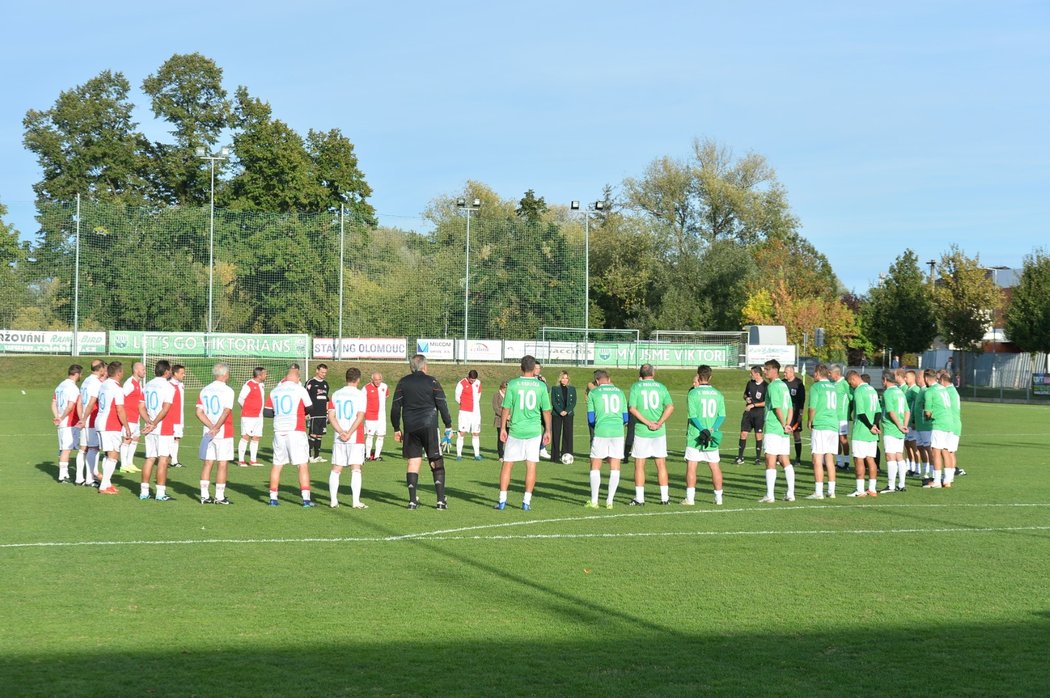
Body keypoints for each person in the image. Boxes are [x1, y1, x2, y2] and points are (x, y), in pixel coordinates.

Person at [391, 354, 453, 509]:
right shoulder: (432, 381)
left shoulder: (402, 382)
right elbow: (442, 405)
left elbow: (395, 408)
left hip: (410, 427)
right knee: (436, 460)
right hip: (429, 425)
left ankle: (412, 501)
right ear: (425, 366)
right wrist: (448, 425)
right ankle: (440, 500)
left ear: (411, 367)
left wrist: (396, 428)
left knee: (413, 460)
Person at [497, 355, 552, 510]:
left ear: (521, 367)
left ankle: (502, 501)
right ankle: (526, 502)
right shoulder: (541, 386)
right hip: (534, 431)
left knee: (507, 465)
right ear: (534, 368)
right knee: (531, 466)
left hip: (515, 430)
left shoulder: (513, 384)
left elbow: (506, 407)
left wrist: (502, 428)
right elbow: (546, 410)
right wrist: (547, 430)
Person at [265, 363, 315, 507]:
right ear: (297, 377)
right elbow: (310, 407)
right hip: (296, 430)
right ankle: (306, 499)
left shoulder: (275, 390)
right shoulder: (299, 389)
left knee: (277, 465)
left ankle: (273, 498)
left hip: (279, 431)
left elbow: (267, 412)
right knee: (302, 465)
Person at [627, 363, 675, 506]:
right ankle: (665, 498)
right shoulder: (661, 387)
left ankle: (640, 498)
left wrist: (647, 422)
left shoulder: (636, 387)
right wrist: (659, 422)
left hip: (642, 431)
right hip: (659, 432)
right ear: (653, 374)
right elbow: (670, 406)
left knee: (640, 464)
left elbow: (632, 408)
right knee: (661, 464)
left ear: (640, 375)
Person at [683, 365, 726, 506]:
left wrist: (703, 430)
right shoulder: (718, 394)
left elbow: (693, 416)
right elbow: (722, 416)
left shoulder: (693, 394)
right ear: (710, 377)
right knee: (715, 467)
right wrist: (712, 429)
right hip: (711, 436)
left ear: (698, 376)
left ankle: (690, 499)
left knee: (691, 466)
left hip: (696, 435)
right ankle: (719, 498)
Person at [585, 370, 628, 509]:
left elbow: (591, 419)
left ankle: (594, 501)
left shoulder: (593, 393)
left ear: (597, 381)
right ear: (609, 379)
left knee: (595, 465)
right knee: (615, 466)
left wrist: (598, 425)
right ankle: (610, 501)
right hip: (618, 432)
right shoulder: (620, 392)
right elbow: (626, 418)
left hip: (601, 431)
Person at [327, 367, 368, 509]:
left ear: (346, 378)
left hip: (339, 436)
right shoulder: (360, 395)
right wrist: (349, 432)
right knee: (356, 468)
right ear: (358, 380)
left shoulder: (336, 394)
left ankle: (333, 500)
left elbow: (331, 416)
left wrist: (341, 431)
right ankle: (355, 502)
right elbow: (360, 416)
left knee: (336, 468)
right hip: (355, 437)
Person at [196, 362, 236, 505]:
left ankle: (204, 495)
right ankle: (219, 496)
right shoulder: (228, 391)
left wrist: (211, 427)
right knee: (222, 463)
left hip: (208, 432)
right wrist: (217, 427)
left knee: (208, 463)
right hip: (223, 432)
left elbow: (198, 412)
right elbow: (226, 411)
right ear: (225, 374)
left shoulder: (205, 390)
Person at [759, 360, 796, 503]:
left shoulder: (773, 386)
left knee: (770, 459)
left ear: (775, 370)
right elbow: (790, 408)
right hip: (783, 430)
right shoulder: (784, 386)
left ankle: (770, 495)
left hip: (774, 428)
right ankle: (791, 493)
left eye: (767, 369)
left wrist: (782, 424)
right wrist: (788, 424)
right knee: (785, 460)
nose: (765, 372)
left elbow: (777, 407)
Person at [140, 360, 176, 501]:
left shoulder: (147, 385)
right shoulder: (168, 386)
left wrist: (148, 421)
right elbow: (166, 408)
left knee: (150, 458)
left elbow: (141, 407)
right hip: (163, 426)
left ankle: (144, 492)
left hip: (150, 427)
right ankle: (160, 493)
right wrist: (154, 423)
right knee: (163, 459)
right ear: (167, 371)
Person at [95, 361, 130, 495]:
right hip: (110, 424)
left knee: (108, 453)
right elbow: (120, 409)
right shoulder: (117, 388)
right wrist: (126, 427)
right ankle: (104, 486)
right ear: (119, 373)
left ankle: (107, 483)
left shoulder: (103, 384)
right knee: (114, 454)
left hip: (100, 421)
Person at [806, 363, 838, 499]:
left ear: (818, 373)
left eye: (814, 372)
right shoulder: (833, 387)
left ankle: (818, 492)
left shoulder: (816, 387)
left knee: (817, 458)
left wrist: (810, 420)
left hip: (821, 424)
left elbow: (812, 407)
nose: (813, 375)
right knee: (829, 458)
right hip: (833, 425)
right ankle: (831, 491)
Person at [847, 370, 880, 497]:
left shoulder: (859, 391)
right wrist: (875, 425)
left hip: (861, 431)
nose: (851, 386)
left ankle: (860, 490)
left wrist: (870, 426)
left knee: (859, 459)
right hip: (872, 432)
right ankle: (872, 489)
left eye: (851, 383)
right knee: (871, 459)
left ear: (854, 379)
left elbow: (860, 413)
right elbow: (878, 411)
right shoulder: (872, 389)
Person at [879, 370, 911, 494]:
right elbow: (907, 411)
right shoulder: (900, 392)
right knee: (899, 456)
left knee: (890, 456)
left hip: (891, 429)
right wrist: (904, 426)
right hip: (900, 429)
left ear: (885, 380)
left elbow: (891, 412)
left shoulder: (887, 393)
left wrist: (898, 425)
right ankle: (901, 484)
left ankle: (891, 485)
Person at [75, 359, 106, 486]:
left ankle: (78, 478)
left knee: (83, 449)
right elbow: (92, 402)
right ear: (101, 369)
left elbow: (80, 401)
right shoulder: (97, 383)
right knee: (93, 449)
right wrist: (84, 418)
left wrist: (81, 417)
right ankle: (89, 479)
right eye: (104, 368)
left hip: (84, 417)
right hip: (91, 418)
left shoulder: (86, 381)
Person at [51, 364, 82, 484]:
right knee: (66, 449)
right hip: (68, 422)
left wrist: (57, 417)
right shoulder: (73, 388)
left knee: (62, 449)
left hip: (61, 423)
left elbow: (53, 403)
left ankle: (64, 473)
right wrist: (62, 417)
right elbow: (70, 406)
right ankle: (62, 476)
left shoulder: (60, 386)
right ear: (77, 374)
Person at [119, 361, 146, 475]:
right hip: (129, 417)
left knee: (135, 438)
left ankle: (130, 463)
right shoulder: (130, 383)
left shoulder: (138, 383)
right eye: (143, 370)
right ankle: (123, 465)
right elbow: (121, 398)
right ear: (136, 370)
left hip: (136, 416)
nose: (145, 371)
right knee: (127, 439)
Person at [735, 366, 765, 465]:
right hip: (748, 413)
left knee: (758, 435)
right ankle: (740, 457)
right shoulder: (750, 383)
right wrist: (746, 398)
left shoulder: (766, 386)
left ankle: (757, 458)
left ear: (757, 374)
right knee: (743, 433)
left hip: (759, 414)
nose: (750, 375)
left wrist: (754, 405)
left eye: (751, 373)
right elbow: (744, 395)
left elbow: (766, 402)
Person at [237, 367, 267, 467]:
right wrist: (246, 410)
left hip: (259, 416)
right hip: (248, 416)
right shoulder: (248, 385)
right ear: (259, 375)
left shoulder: (262, 385)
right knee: (245, 436)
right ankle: (241, 460)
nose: (266, 375)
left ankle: (253, 460)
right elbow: (240, 399)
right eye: (264, 374)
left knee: (256, 437)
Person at [454, 369, 483, 461]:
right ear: (468, 377)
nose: (473, 382)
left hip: (476, 412)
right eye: (471, 380)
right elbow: (457, 397)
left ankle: (477, 455)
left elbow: (478, 395)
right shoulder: (461, 383)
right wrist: (464, 404)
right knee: (462, 433)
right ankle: (459, 455)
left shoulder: (478, 383)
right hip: (464, 412)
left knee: (476, 433)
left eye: (474, 380)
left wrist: (475, 405)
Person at [550, 371, 577, 463]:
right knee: (556, 435)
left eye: (566, 378)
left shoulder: (572, 389)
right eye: (563, 378)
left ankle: (567, 455)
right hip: (557, 414)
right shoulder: (555, 388)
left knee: (568, 435)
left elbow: (573, 402)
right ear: (560, 379)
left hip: (568, 414)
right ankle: (555, 457)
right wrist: (560, 411)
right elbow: (553, 401)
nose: (565, 380)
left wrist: (566, 411)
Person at [305, 363, 330, 463]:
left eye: (325, 373)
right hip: (313, 414)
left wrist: (327, 413)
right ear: (317, 371)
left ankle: (317, 456)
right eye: (322, 372)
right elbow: (305, 397)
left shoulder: (325, 384)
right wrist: (306, 412)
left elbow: (326, 399)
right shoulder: (310, 382)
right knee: (313, 435)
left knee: (320, 435)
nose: (324, 374)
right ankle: (308, 456)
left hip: (322, 414)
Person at [782, 364, 806, 465]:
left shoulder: (799, 383)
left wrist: (800, 414)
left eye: (786, 372)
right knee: (783, 432)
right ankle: (782, 457)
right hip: (784, 412)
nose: (784, 374)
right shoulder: (782, 383)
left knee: (796, 434)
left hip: (795, 412)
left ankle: (798, 458)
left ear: (792, 372)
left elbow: (802, 400)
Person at [830, 364, 852, 469]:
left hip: (842, 416)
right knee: (836, 440)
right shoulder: (833, 384)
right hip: (833, 417)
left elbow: (852, 398)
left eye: (831, 373)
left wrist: (850, 412)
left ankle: (847, 462)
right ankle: (839, 462)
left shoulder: (845, 384)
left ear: (837, 373)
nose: (830, 375)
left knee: (843, 439)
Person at [364, 372, 389, 461]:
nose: (378, 382)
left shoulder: (385, 387)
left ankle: (377, 456)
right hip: (370, 416)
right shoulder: (366, 388)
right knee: (370, 435)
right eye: (376, 380)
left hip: (381, 417)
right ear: (372, 380)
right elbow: (362, 401)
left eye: (379, 379)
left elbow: (385, 398)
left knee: (381, 435)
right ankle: (367, 455)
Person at [169, 364, 186, 468]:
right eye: (182, 373)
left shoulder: (181, 385)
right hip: (171, 417)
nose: (184, 375)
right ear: (175, 373)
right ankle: (168, 459)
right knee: (169, 438)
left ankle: (174, 460)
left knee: (177, 437)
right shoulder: (168, 385)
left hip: (179, 417)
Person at [492, 380, 508, 461]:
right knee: (500, 438)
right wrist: (504, 415)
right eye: (505, 388)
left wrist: (509, 416)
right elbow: (495, 407)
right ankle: (501, 456)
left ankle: (508, 455)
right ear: (501, 388)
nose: (506, 390)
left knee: (508, 438)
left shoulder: (509, 395)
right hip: (499, 420)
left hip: (509, 421)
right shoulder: (496, 395)